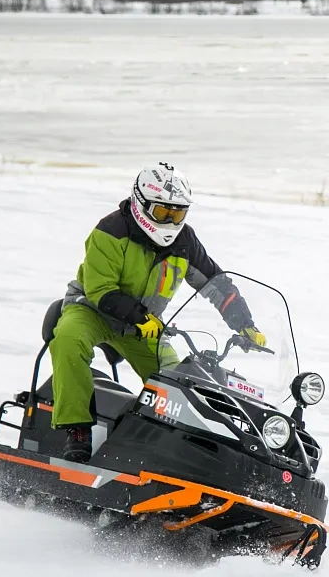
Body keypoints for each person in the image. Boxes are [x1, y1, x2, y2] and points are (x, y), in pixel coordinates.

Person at [49, 162, 264, 462]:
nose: (171, 221)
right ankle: (77, 430)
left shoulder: (185, 242)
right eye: (164, 212)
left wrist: (244, 324)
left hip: (144, 325)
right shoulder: (110, 231)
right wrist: (140, 317)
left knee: (177, 379)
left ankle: (173, 449)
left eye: (178, 213)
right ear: (141, 204)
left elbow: (216, 284)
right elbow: (101, 289)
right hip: (93, 310)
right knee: (68, 340)